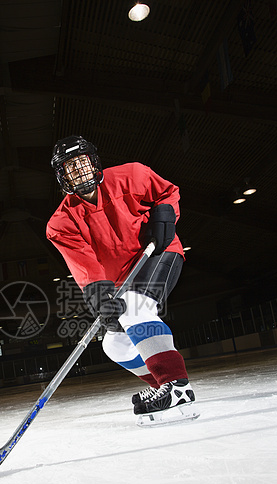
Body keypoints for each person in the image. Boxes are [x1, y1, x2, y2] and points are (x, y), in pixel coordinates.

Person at [47, 135, 195, 419]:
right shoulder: (60, 223)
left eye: (82, 162)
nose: (79, 171)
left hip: (157, 252)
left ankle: (175, 384)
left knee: (135, 308)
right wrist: (99, 296)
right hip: (121, 278)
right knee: (113, 343)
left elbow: (168, 192)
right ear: (62, 177)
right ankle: (160, 384)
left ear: (94, 162)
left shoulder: (132, 175)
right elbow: (85, 265)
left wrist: (165, 214)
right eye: (70, 167)